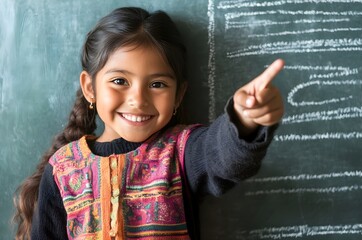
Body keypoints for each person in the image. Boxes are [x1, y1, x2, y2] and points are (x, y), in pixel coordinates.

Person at [13, 6, 284, 240]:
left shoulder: (181, 152)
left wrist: (245, 119)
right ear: (90, 87)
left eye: (157, 84)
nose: (138, 99)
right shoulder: (62, 170)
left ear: (178, 95)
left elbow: (221, 155)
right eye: (120, 81)